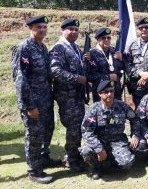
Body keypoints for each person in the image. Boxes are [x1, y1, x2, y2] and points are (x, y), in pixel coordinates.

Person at [12, 15, 61, 184]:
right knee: (34, 135)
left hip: (45, 99)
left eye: (44, 27)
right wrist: (28, 105)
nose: (42, 30)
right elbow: (20, 80)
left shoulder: (43, 47)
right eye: (38, 27)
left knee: (48, 129)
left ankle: (44, 158)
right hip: (32, 102)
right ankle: (34, 170)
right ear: (30, 29)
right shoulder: (23, 48)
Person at [79, 80, 140, 180]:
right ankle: (97, 168)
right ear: (99, 94)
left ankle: (112, 160)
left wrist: (135, 135)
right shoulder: (94, 109)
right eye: (106, 92)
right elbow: (86, 130)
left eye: (111, 91)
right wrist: (98, 148)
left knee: (127, 164)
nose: (109, 94)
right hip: (100, 140)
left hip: (118, 140)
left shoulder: (122, 106)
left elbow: (135, 120)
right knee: (86, 151)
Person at [49, 19, 87, 172]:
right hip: (67, 97)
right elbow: (55, 71)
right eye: (70, 29)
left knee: (78, 127)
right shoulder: (59, 48)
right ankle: (70, 159)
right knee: (73, 128)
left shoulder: (75, 48)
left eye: (76, 29)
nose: (74, 32)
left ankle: (75, 155)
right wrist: (77, 78)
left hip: (77, 96)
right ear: (62, 30)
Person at [87, 27, 124, 102]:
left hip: (116, 92)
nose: (106, 40)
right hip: (101, 93)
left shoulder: (115, 51)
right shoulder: (92, 54)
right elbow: (89, 76)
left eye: (108, 38)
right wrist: (107, 77)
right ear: (98, 39)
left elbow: (122, 70)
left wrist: (121, 60)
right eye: (103, 38)